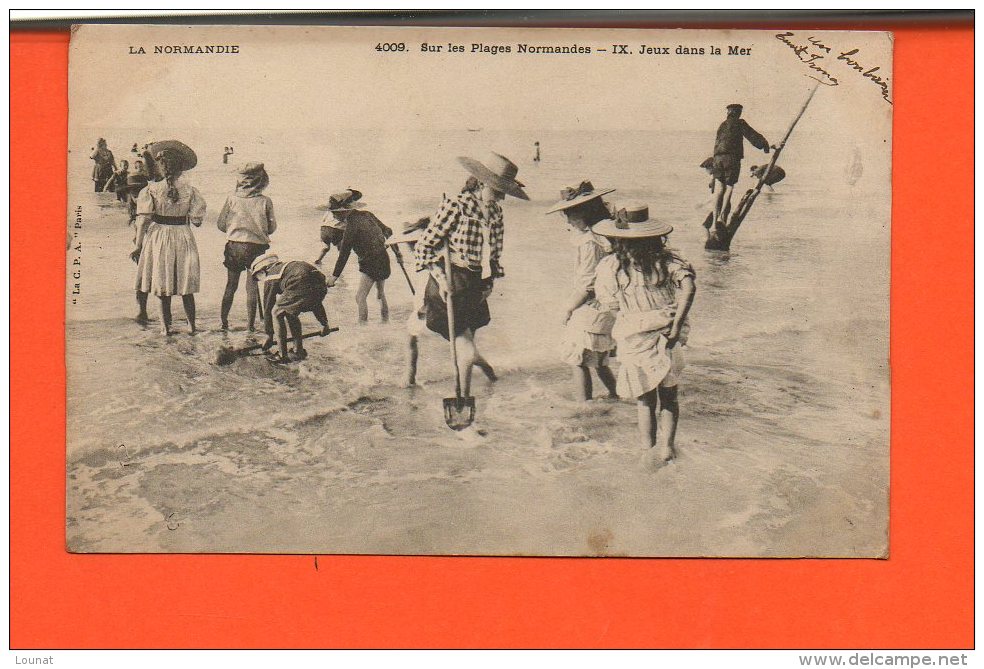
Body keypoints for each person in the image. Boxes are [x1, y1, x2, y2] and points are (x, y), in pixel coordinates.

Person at [415, 153, 528, 399]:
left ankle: (486, 373)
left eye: (504, 191)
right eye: (498, 189)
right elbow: (424, 247)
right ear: (481, 183)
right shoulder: (456, 205)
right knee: (464, 344)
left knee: (466, 343)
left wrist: (490, 283)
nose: (501, 196)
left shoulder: (496, 213)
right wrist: (441, 279)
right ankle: (464, 400)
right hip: (449, 281)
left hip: (475, 283)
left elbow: (495, 256)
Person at [594, 204, 697, 470]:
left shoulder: (611, 266)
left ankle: (647, 449)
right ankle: (667, 448)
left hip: (634, 335)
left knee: (644, 398)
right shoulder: (667, 261)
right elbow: (689, 287)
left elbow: (610, 305)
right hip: (667, 334)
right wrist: (676, 326)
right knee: (669, 395)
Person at [387, 217, 497, 387]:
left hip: (442, 306)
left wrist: (421, 310)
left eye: (413, 244)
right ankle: (410, 377)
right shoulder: (437, 254)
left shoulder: (437, 259)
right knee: (414, 338)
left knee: (460, 351)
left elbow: (428, 292)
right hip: (444, 304)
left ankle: (487, 372)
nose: (410, 247)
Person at [547, 181, 619, 402]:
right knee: (598, 358)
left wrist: (568, 309)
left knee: (578, 359)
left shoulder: (589, 242)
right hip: (607, 303)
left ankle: (584, 407)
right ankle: (616, 395)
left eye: (570, 214)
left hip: (591, 304)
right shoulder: (605, 235)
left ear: (584, 213)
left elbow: (587, 285)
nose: (567, 220)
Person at [130, 140, 206, 333]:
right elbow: (197, 220)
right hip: (183, 235)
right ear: (181, 168)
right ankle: (192, 327)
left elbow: (143, 221)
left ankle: (165, 329)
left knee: (162, 285)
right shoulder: (191, 190)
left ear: (161, 167)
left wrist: (138, 246)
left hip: (159, 236)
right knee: (185, 286)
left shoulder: (150, 190)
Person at [215, 162, 277, 332]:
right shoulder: (265, 201)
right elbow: (272, 228)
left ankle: (223, 321)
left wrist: (235, 228)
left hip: (235, 246)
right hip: (257, 248)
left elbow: (220, 224)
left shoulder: (232, 199)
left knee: (231, 286)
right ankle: (250, 326)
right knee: (252, 288)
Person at [322, 189, 393, 323]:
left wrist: (334, 277)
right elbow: (388, 230)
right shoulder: (368, 214)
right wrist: (384, 241)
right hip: (383, 258)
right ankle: (386, 322)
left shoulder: (351, 226)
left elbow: (344, 254)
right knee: (380, 294)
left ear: (344, 211)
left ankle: (362, 330)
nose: (333, 216)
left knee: (360, 297)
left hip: (370, 263)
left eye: (335, 213)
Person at [250, 252, 331, 363]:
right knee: (290, 312)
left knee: (276, 312)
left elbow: (268, 307)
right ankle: (298, 350)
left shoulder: (271, 276)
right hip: (319, 280)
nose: (259, 281)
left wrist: (269, 335)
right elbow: (316, 303)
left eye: (257, 277)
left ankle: (282, 355)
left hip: (299, 280)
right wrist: (324, 324)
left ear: (263, 270)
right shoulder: (286, 268)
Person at [709, 104, 770, 228]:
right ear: (738, 113)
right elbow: (752, 136)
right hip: (731, 158)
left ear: (728, 113)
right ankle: (722, 219)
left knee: (720, 189)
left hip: (717, 158)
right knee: (730, 187)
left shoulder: (722, 125)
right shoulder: (740, 123)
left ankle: (715, 221)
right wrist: (764, 145)